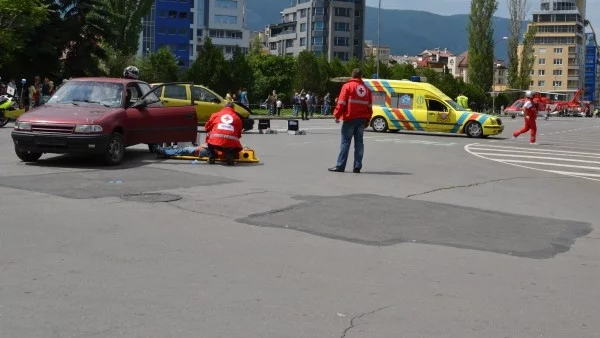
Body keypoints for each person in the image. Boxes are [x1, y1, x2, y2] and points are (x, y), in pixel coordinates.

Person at [329, 68, 373, 173]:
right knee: (359, 143)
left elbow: (342, 103)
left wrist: (337, 115)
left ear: (352, 75)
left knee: (345, 143)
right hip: (361, 120)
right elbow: (370, 107)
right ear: (361, 76)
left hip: (350, 118)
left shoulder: (347, 86)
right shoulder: (367, 90)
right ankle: (357, 166)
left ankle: (340, 166)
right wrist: (367, 119)